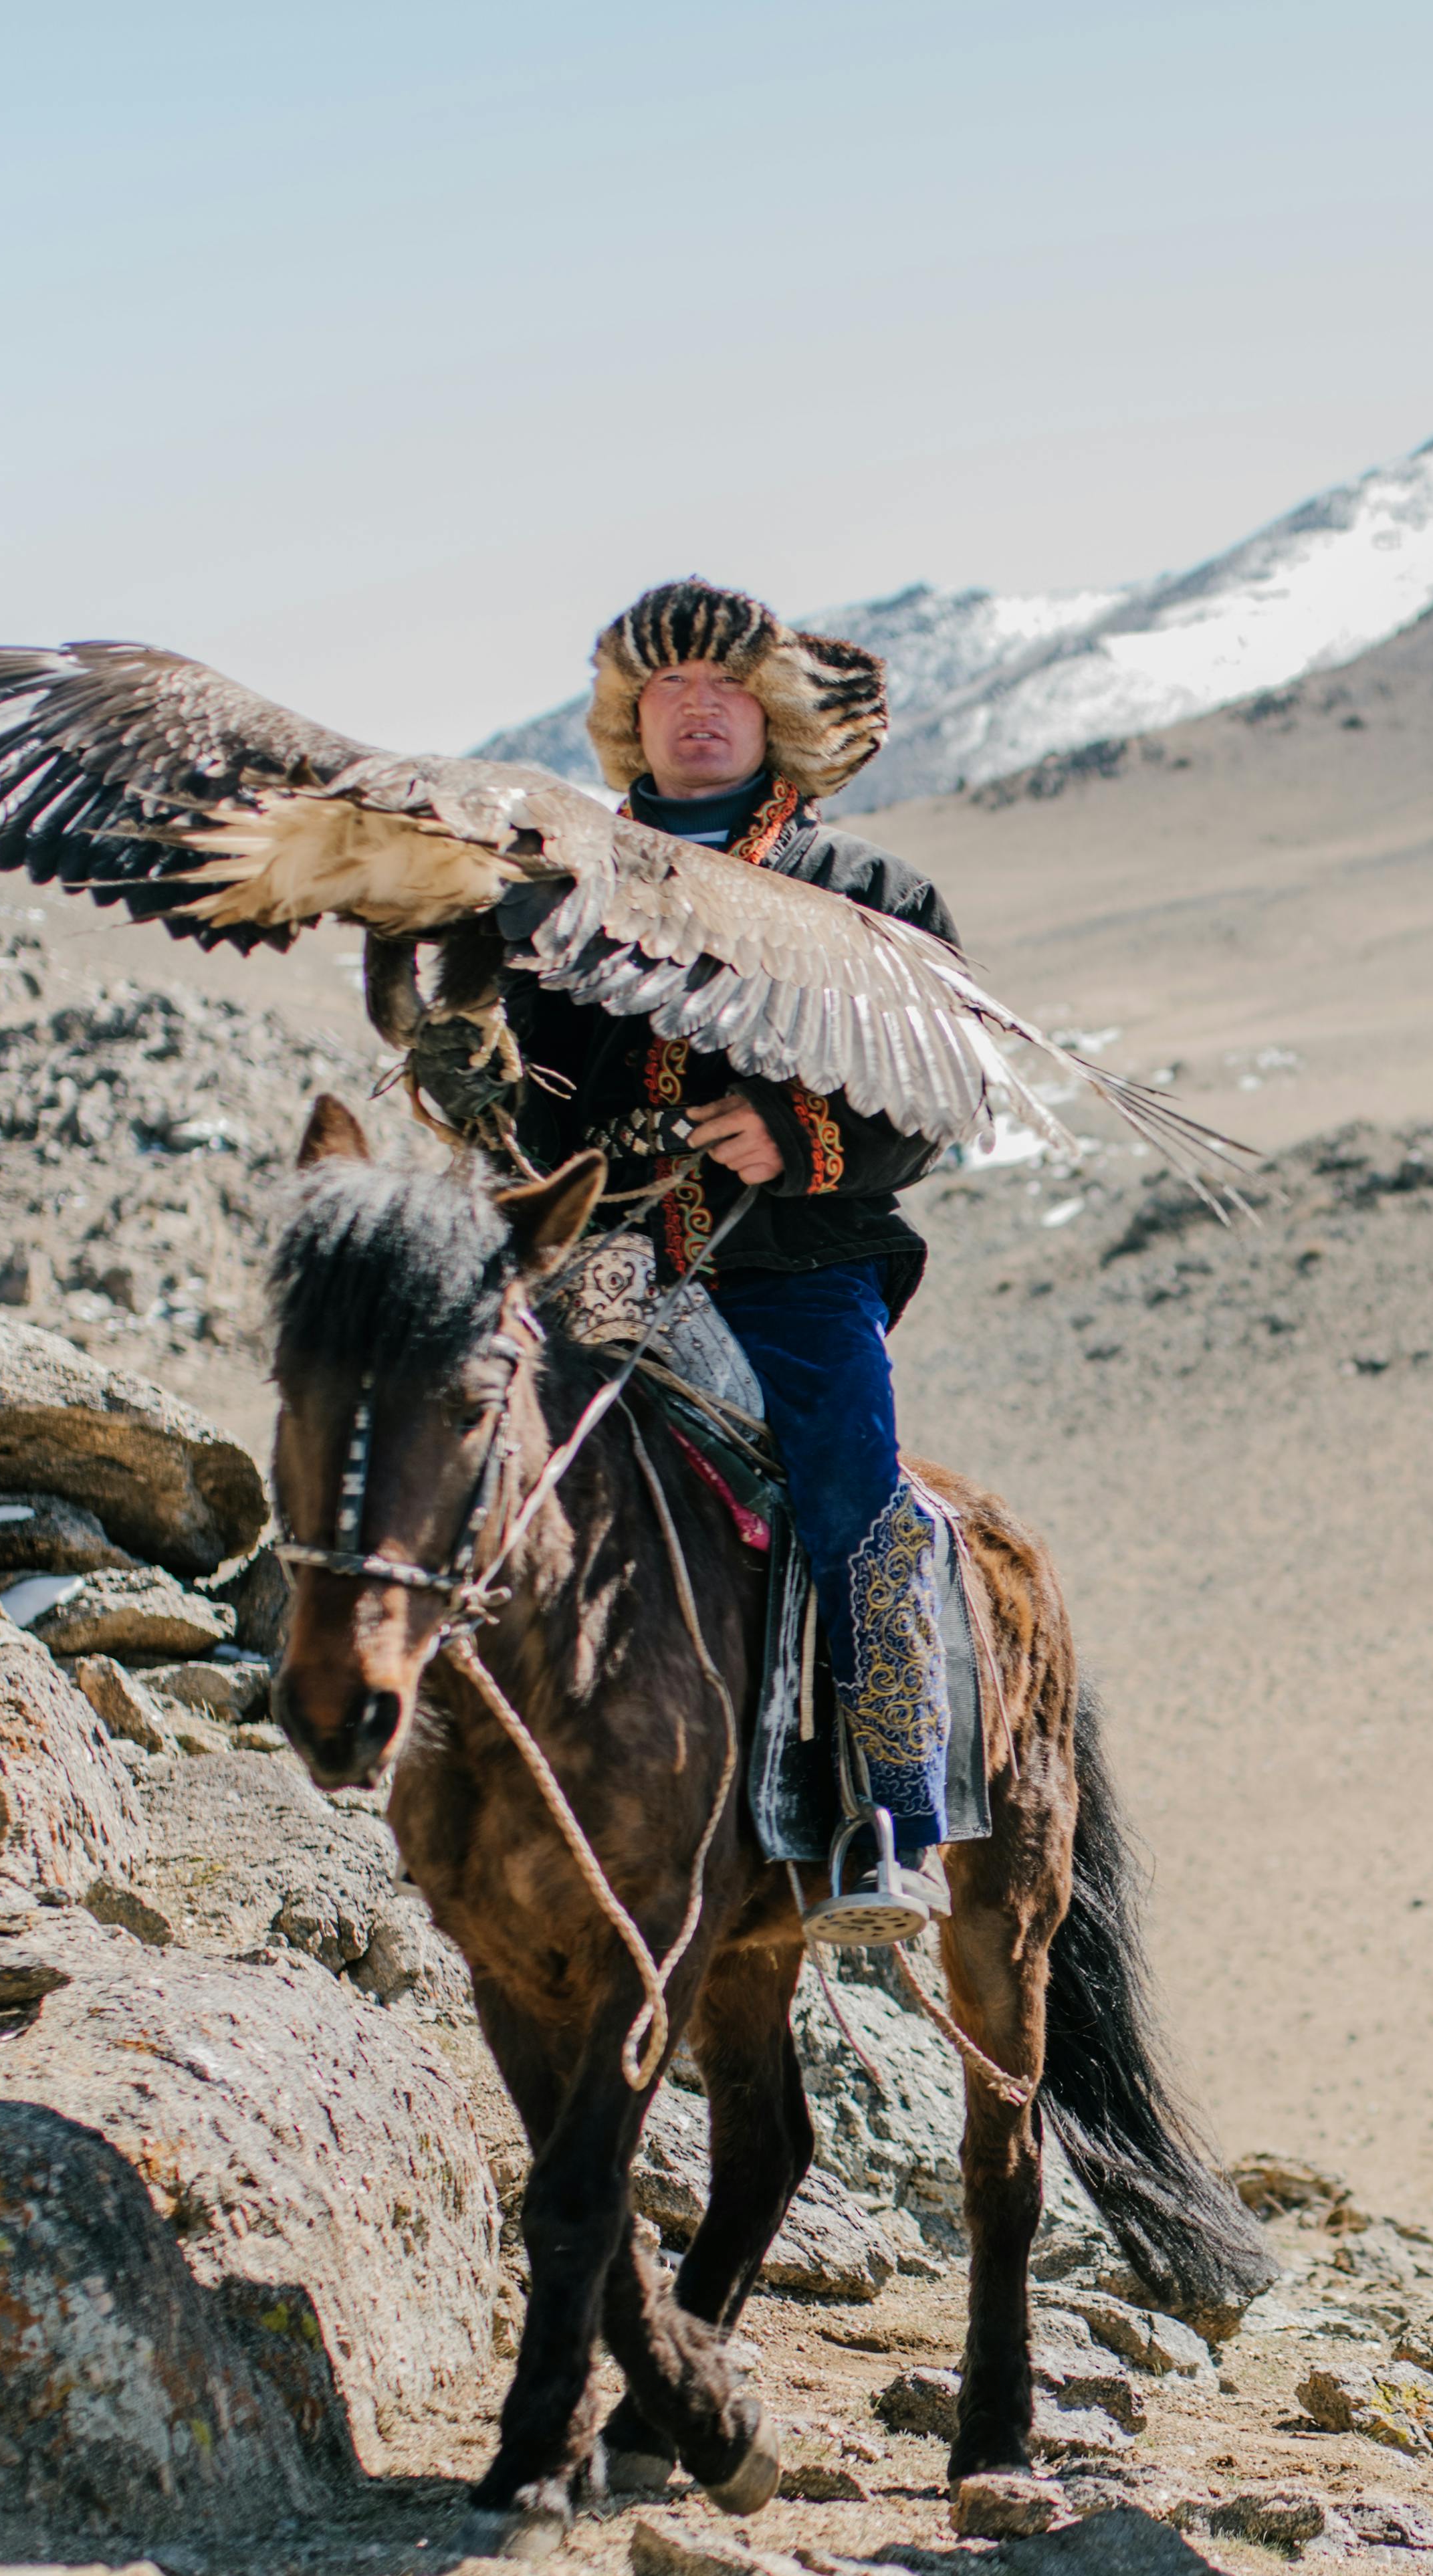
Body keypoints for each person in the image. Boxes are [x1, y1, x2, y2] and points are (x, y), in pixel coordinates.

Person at [464, 580, 958, 1941]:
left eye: (724, 687)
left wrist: (795, 1133)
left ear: (773, 714)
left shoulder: (872, 892)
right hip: (611, 1256)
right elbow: (529, 1087)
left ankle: (890, 1815)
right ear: (629, 718)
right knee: (478, 1446)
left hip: (801, 1262)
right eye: (666, 689)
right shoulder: (552, 887)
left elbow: (934, 1104)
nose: (694, 709)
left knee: (858, 1493)